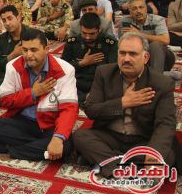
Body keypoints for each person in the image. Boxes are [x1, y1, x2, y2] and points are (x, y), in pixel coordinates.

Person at [73, 32, 178, 178]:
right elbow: (91, 110)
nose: (126, 59)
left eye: (133, 54)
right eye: (122, 53)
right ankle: (125, 167)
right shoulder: (104, 73)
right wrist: (122, 103)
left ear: (145, 57)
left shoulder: (161, 83)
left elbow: (166, 123)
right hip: (110, 136)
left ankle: (107, 162)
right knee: (79, 136)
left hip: (142, 140)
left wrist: (154, 152)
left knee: (168, 154)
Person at [0, 28, 78, 161]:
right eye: (25, 50)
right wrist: (33, 93)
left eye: (34, 50)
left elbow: (69, 109)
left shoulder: (65, 70)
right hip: (23, 121)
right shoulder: (13, 66)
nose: (28, 55)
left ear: (46, 49)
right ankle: (37, 149)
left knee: (66, 143)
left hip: (49, 124)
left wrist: (57, 138)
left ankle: (10, 149)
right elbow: (5, 101)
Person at [61, 12, 117, 103]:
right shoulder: (72, 42)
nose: (87, 37)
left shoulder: (109, 43)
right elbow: (63, 67)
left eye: (92, 34)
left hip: (99, 82)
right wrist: (81, 63)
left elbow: (113, 69)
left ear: (99, 30)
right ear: (80, 29)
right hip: (77, 82)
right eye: (84, 33)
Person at [119, 0, 178, 80]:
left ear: (146, 9)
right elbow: (122, 43)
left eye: (141, 7)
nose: (138, 11)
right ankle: (164, 75)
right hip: (139, 57)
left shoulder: (157, 20)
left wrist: (139, 34)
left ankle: (155, 79)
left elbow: (165, 40)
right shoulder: (125, 21)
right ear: (130, 11)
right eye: (134, 8)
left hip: (162, 58)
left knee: (155, 45)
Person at [0, 5, 35, 84]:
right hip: (7, 78)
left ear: (18, 18)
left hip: (30, 76)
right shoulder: (1, 39)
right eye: (4, 20)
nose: (7, 23)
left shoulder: (33, 35)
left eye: (10, 18)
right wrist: (13, 55)